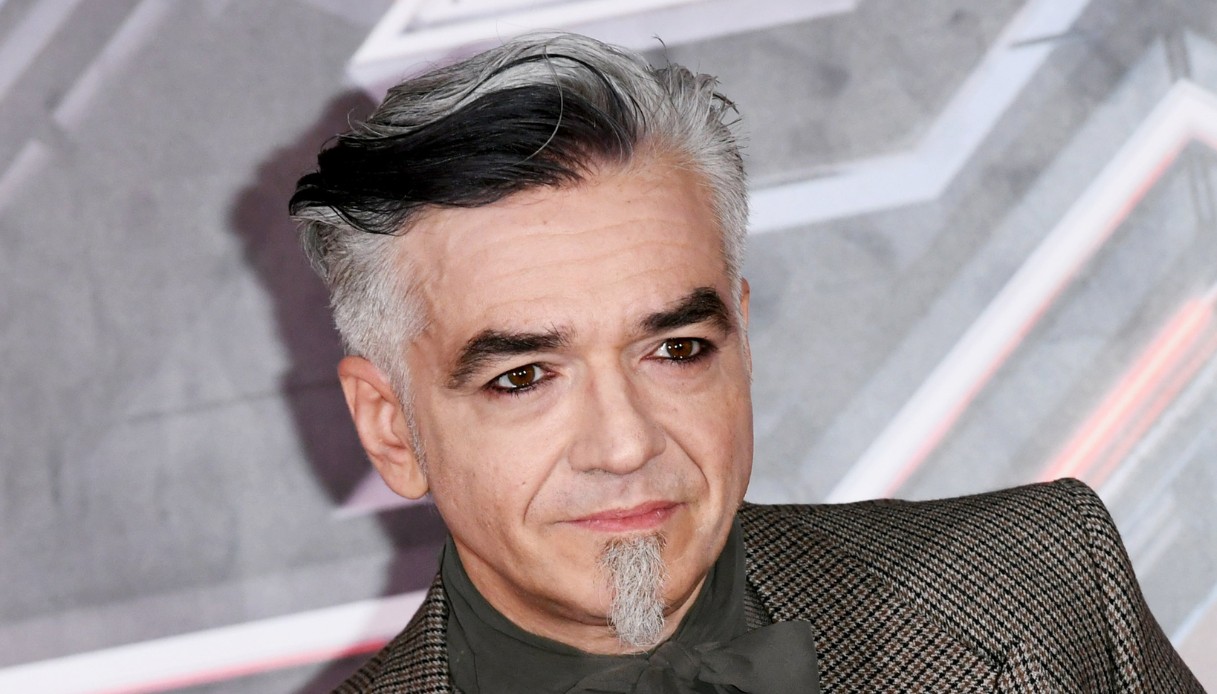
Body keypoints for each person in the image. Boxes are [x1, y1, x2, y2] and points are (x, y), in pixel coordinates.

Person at [289, 33, 1201, 693]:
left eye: (675, 350)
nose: (624, 445)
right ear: (392, 428)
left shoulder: (1035, 586)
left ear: (742, 345)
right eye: (523, 376)